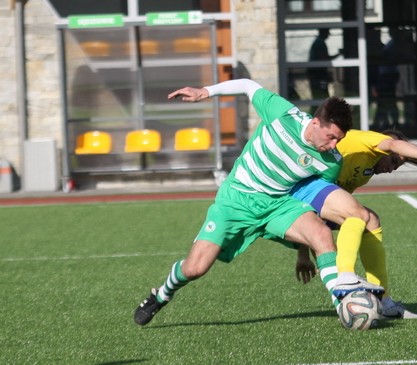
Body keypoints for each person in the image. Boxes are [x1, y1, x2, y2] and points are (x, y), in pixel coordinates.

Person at [133, 78, 382, 326]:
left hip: (277, 204)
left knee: (321, 234)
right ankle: (161, 294)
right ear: (316, 123)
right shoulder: (282, 114)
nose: (334, 145)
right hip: (236, 201)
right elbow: (247, 85)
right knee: (195, 268)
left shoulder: (332, 163)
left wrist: (303, 255)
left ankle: (343, 305)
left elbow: (310, 201)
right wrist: (205, 92)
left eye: (339, 139)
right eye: (330, 137)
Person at [291, 128, 417, 319]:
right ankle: (346, 277)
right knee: (357, 216)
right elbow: (394, 144)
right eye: (393, 161)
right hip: (294, 198)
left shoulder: (366, 171)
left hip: (314, 206)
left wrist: (303, 256)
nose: (392, 169)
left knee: (370, 219)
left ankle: (383, 301)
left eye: (396, 166)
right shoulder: (365, 141)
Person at [308, 28, 342, 99]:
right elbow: (324, 58)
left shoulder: (319, 42)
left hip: (316, 73)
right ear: (323, 32)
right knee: (321, 95)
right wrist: (339, 54)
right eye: (327, 32)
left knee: (319, 95)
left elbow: (324, 58)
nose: (329, 35)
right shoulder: (320, 43)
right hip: (317, 74)